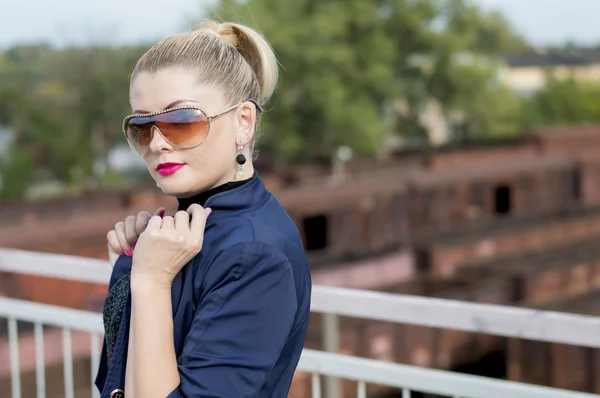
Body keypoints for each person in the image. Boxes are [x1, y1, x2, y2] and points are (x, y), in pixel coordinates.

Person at [96, 20, 312, 398]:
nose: (158, 143)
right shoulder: (177, 236)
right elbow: (115, 385)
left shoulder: (255, 254)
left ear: (243, 121)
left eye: (181, 121)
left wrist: (150, 281)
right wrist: (130, 266)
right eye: (143, 127)